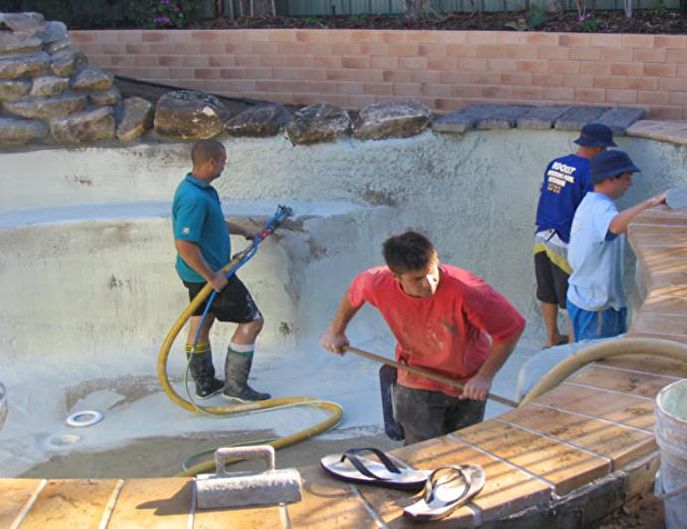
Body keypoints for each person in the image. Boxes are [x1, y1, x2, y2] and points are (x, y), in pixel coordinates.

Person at [321, 231, 526, 445]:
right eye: (417, 279)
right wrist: (336, 330)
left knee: (462, 449)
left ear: (436, 258)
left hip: (468, 382)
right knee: (421, 451)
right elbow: (356, 291)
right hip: (417, 375)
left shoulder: (467, 290)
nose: (429, 283)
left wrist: (485, 376)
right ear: (395, 276)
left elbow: (512, 329)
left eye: (432, 272)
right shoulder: (377, 283)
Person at [172, 139, 271, 402]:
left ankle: (205, 385)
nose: (223, 168)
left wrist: (244, 231)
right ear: (211, 162)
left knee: (202, 322)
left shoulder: (200, 190)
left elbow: (214, 222)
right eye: (222, 163)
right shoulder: (194, 198)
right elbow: (184, 244)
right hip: (212, 274)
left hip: (200, 274)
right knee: (253, 321)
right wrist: (211, 276)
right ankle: (236, 387)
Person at [566, 150, 666, 342]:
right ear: (611, 178)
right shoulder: (600, 208)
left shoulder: (590, 202)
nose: (630, 184)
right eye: (627, 178)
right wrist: (651, 203)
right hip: (597, 307)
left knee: (579, 356)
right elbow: (615, 225)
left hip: (582, 297)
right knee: (597, 364)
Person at [534, 123, 616, 348]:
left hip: (542, 234)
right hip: (566, 239)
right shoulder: (589, 172)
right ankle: (572, 344)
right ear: (598, 148)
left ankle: (551, 338)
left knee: (546, 290)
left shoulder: (556, 163)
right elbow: (591, 206)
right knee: (573, 295)